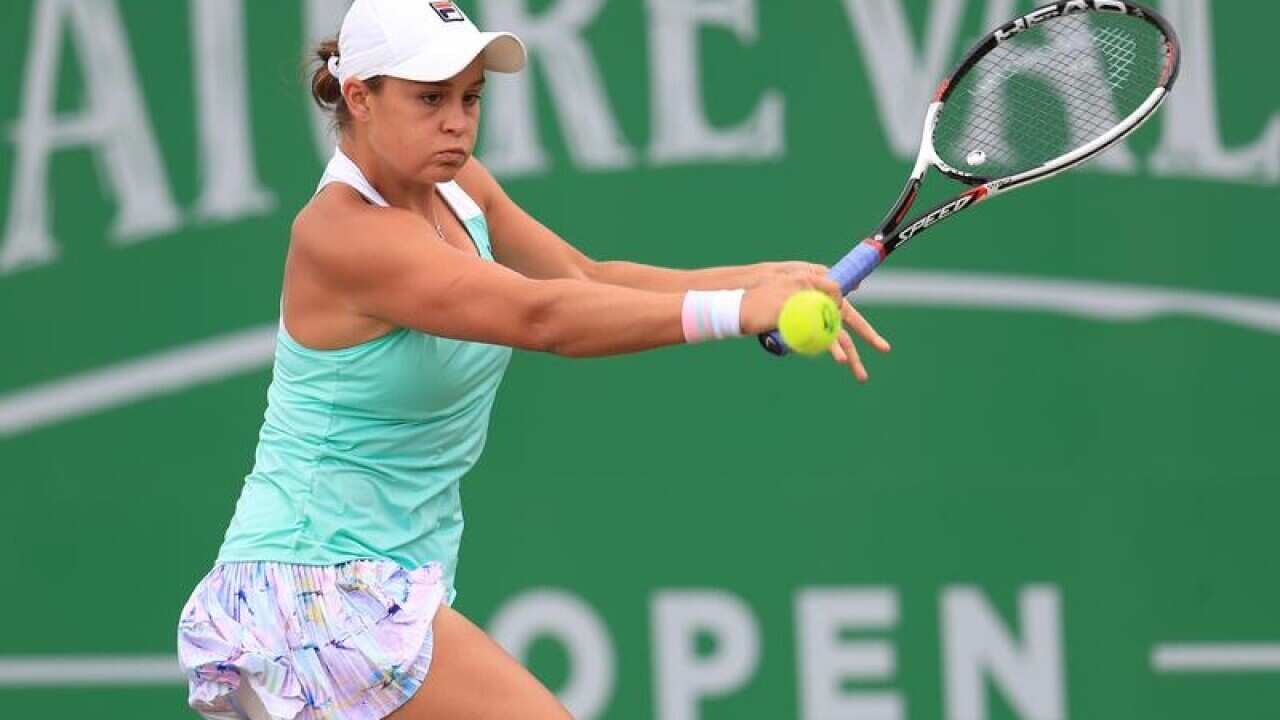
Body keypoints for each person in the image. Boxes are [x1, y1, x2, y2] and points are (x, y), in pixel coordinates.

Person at [176, 1, 891, 718]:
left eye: (470, 98)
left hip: (346, 587)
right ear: (359, 97)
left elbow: (581, 278)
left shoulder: (460, 190)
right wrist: (737, 310)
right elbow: (539, 315)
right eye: (430, 99)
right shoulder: (344, 234)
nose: (457, 121)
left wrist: (760, 280)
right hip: (319, 590)